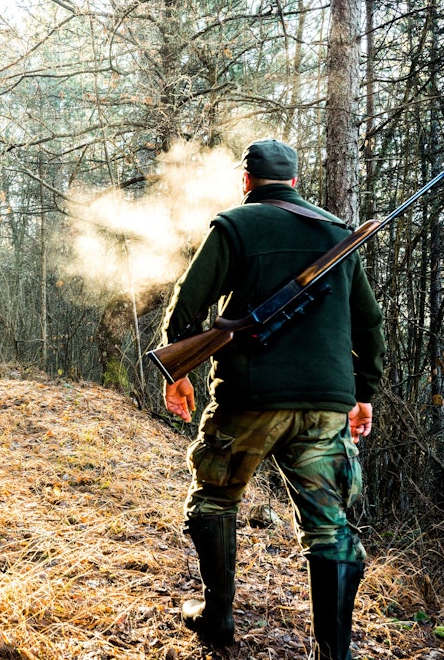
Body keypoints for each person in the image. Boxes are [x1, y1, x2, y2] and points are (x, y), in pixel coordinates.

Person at [159, 139, 386, 658]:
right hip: (326, 405)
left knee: (215, 499)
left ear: (246, 181)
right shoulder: (339, 233)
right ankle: (335, 653)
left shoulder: (234, 225)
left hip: (249, 398)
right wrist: (363, 393)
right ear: (295, 182)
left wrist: (179, 373)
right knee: (330, 528)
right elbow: (369, 325)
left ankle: (217, 618)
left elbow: (188, 304)